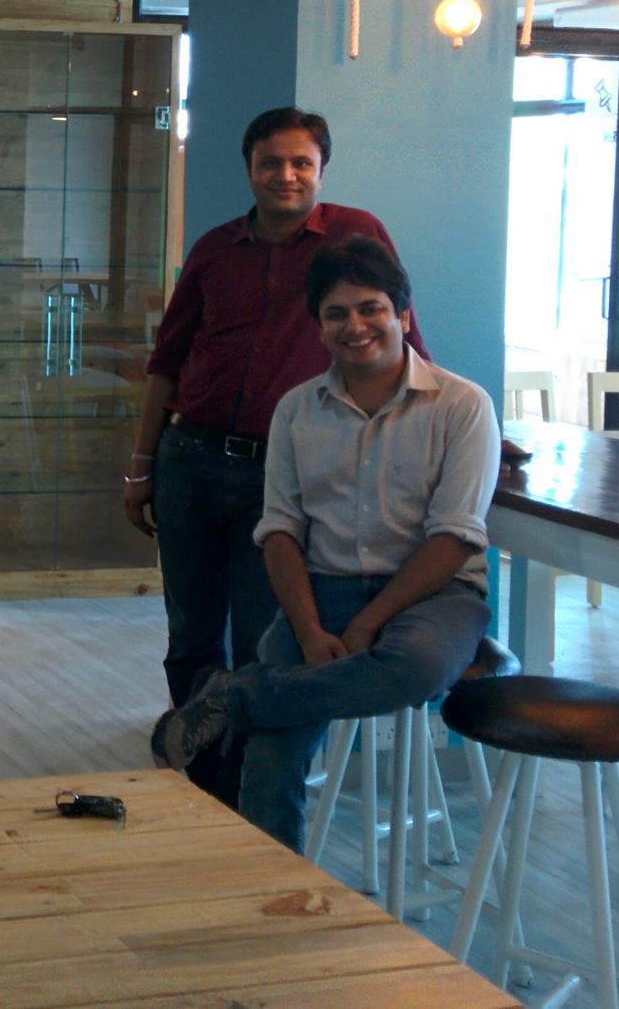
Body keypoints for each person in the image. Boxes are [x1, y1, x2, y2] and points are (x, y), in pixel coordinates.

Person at [149, 236, 494, 853]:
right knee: (272, 751)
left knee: (411, 668)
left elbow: (453, 538)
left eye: (371, 309)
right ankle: (273, 886)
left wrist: (367, 623)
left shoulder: (462, 406)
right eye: (336, 314)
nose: (355, 326)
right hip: (323, 588)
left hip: (435, 597)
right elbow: (280, 531)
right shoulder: (296, 410)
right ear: (319, 328)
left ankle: (234, 696)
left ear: (403, 316)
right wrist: (309, 631)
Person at [123, 106, 424, 806]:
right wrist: (140, 466)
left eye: (300, 163)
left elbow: (401, 333)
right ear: (249, 169)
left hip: (282, 470)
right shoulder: (215, 249)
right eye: (270, 162)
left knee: (266, 636)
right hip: (190, 459)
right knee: (191, 630)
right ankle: (199, 774)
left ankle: (244, 784)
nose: (285, 175)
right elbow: (166, 361)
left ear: (321, 169)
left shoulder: (354, 233)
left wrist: (450, 419)